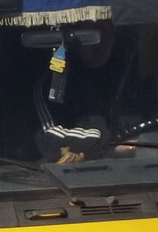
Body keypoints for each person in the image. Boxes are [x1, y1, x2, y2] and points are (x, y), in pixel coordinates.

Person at [32, 21, 123, 163]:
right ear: (73, 40)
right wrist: (113, 145)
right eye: (92, 36)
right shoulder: (54, 84)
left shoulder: (127, 77)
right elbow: (50, 140)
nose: (101, 44)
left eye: (107, 34)